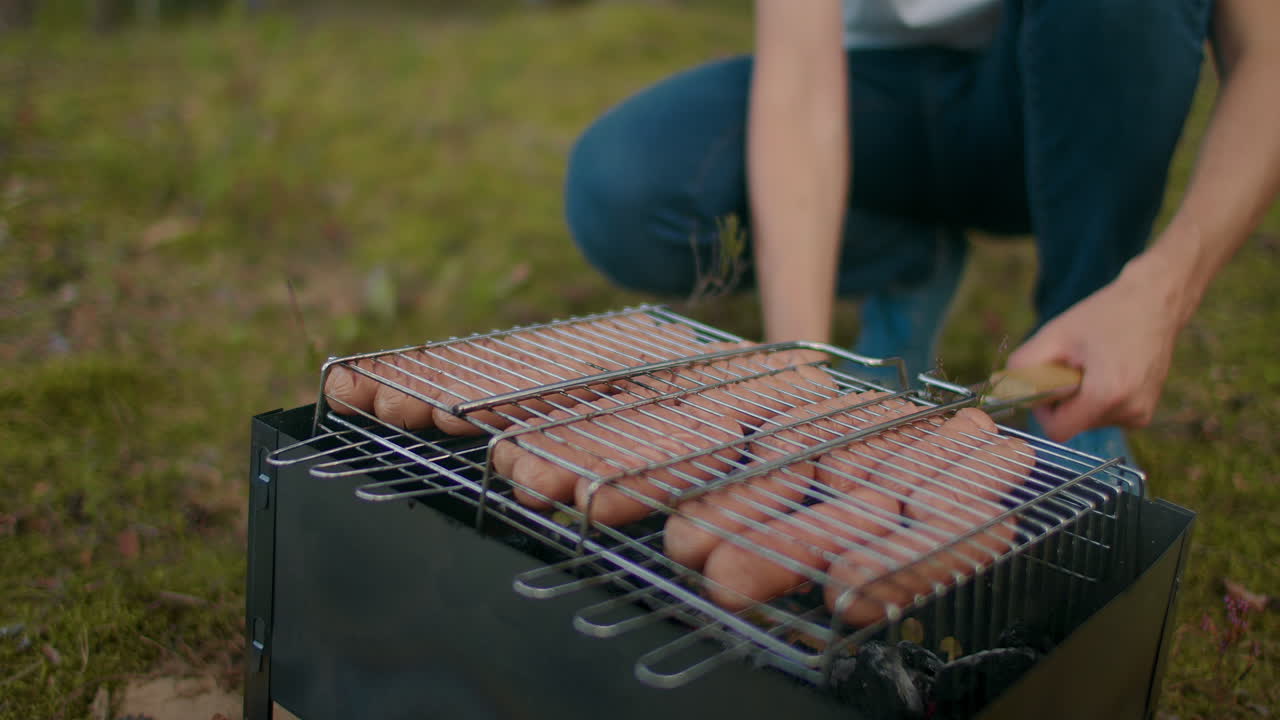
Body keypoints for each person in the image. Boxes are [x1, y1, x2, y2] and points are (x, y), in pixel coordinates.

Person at [561, 0, 1280, 469]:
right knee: (621, 183)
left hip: (1052, 111)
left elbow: (1269, 55)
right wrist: (799, 369)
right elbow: (800, 81)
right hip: (878, 97)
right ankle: (907, 257)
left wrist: (1161, 291)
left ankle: (1079, 370)